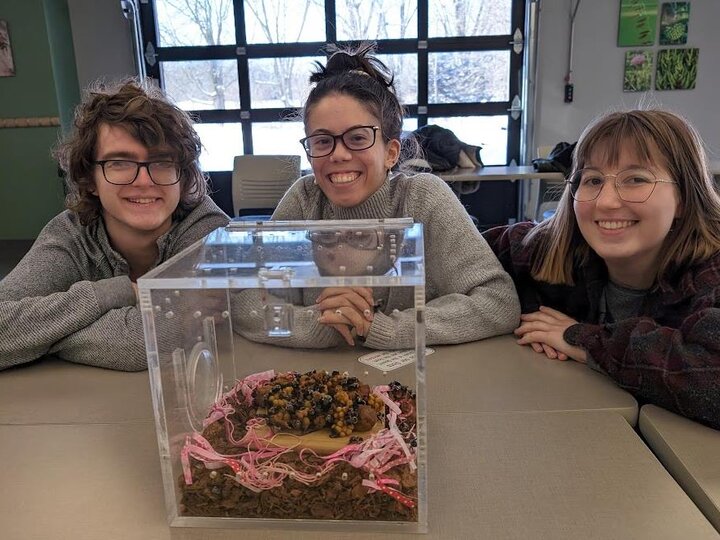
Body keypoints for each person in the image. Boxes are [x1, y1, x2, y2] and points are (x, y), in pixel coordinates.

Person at [234, 44, 519, 349]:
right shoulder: (304, 200)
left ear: (391, 152)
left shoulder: (423, 198)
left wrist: (381, 328)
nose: (339, 154)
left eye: (358, 138)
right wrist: (322, 323)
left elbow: (498, 301)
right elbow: (244, 301)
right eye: (322, 141)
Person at [483, 109, 720, 429]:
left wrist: (582, 339)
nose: (606, 202)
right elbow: (468, 261)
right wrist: (525, 309)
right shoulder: (554, 247)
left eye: (636, 179)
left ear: (683, 195)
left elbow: (709, 380)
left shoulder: (710, 273)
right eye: (592, 180)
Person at [0, 79, 230, 371]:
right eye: (119, 163)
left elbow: (143, 342)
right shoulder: (72, 234)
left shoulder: (209, 231)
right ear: (89, 179)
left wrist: (40, 336)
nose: (144, 182)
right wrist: (114, 292)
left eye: (161, 162)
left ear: (182, 176)